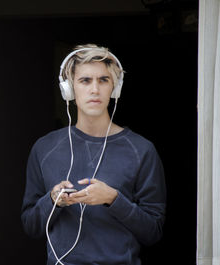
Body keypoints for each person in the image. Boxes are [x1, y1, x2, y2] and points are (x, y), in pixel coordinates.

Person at [21, 44, 166, 265]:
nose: (95, 89)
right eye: (85, 80)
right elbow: (30, 226)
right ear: (69, 89)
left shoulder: (142, 150)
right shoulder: (45, 148)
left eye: (103, 80)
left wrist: (113, 199)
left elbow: (153, 232)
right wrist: (53, 201)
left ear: (114, 88)